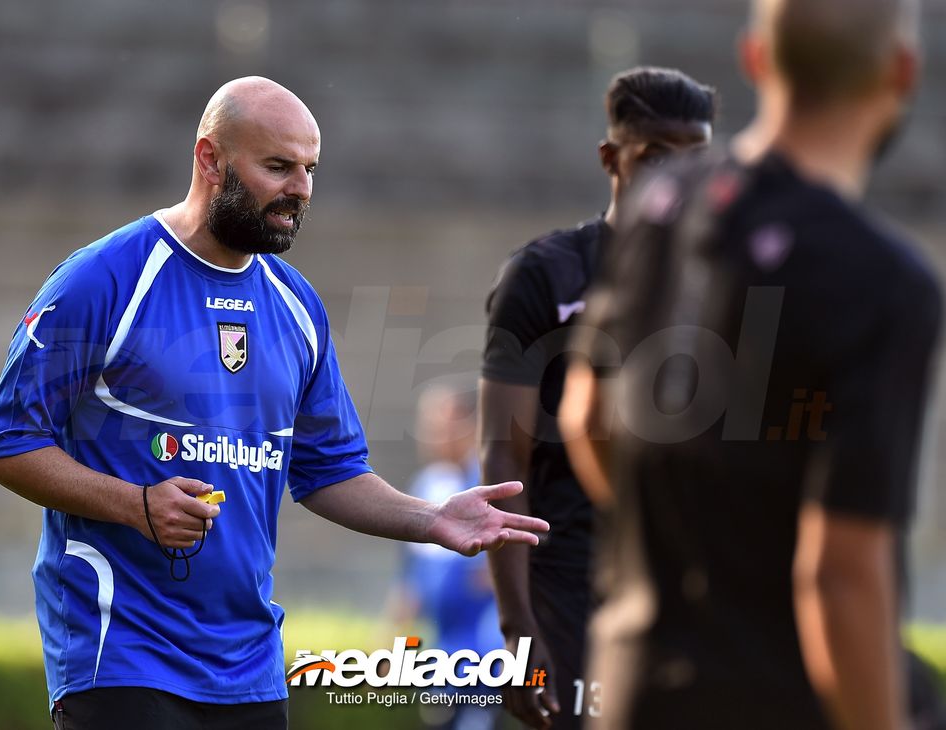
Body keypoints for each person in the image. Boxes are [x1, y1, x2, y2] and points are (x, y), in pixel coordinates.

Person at [0, 76, 548, 730]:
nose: (300, 188)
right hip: (121, 653)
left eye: (309, 169)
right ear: (210, 159)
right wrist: (134, 505)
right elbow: (6, 447)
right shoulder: (104, 278)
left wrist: (432, 518)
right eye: (278, 166)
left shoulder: (297, 304)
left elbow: (329, 470)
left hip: (248, 664)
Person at [558, 1, 938, 729]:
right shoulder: (882, 281)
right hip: (779, 698)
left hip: (634, 683)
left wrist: (688, 553)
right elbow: (841, 574)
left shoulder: (656, 203)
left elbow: (587, 416)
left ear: (756, 59)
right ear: (902, 72)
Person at [479, 67, 716, 730]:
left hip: (688, 588)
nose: (675, 177)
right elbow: (504, 454)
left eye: (694, 159)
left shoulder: (728, 273)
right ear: (612, 158)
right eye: (655, 158)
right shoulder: (547, 273)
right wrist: (519, 629)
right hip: (568, 584)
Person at [384, 385, 503, 730]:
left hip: (482, 652)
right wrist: (391, 641)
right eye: (429, 426)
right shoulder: (423, 487)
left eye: (444, 426)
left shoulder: (489, 486)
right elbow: (410, 579)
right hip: (442, 651)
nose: (434, 436)